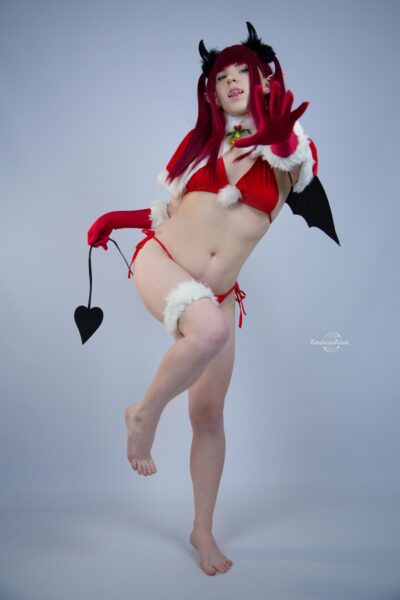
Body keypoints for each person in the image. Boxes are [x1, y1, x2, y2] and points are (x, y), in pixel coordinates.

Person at [87, 23, 317, 576]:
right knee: (209, 330)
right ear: (211, 92)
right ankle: (143, 415)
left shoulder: (292, 153)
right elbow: (169, 213)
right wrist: (114, 219)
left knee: (209, 414)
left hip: (218, 292)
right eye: (221, 76)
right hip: (160, 260)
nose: (232, 81)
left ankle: (203, 530)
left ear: (265, 80)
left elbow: (293, 157)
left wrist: (277, 131)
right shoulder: (201, 147)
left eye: (244, 72)